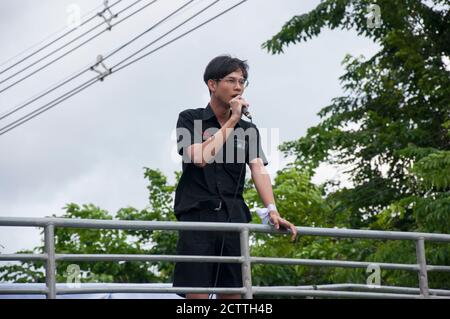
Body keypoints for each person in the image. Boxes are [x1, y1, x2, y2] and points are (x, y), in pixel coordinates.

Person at [173, 55, 297, 299]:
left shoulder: (248, 129)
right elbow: (200, 157)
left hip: (234, 217)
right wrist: (231, 121)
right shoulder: (190, 118)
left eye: (242, 81)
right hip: (197, 217)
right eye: (231, 80)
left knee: (234, 294)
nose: (238, 87)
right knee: (196, 297)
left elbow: (258, 168)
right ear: (212, 84)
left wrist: (272, 209)